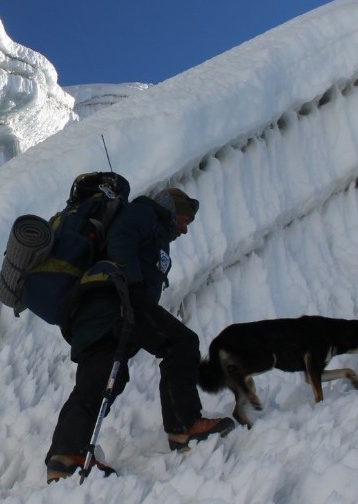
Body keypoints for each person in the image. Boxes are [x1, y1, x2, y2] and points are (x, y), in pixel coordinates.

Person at [44, 187, 235, 483]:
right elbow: (122, 237)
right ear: (173, 209)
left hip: (100, 312)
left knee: (103, 379)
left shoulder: (153, 230)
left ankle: (67, 456)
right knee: (181, 343)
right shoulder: (146, 212)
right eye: (185, 219)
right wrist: (131, 290)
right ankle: (184, 425)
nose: (185, 229)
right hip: (119, 301)